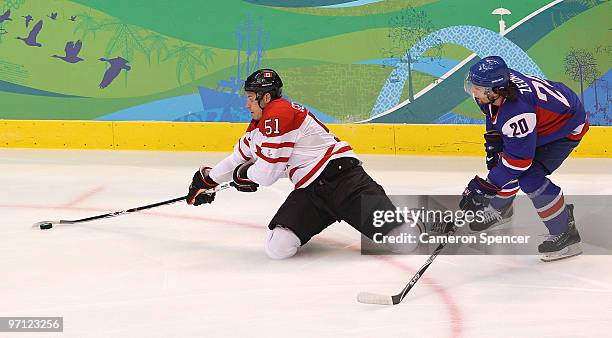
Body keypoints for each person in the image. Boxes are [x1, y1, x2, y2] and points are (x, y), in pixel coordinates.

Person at [185, 69, 425, 259]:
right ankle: (327, 216)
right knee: (278, 248)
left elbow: (267, 174)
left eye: (250, 98)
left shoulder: (280, 114)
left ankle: (427, 219)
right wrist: (207, 179)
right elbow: (237, 158)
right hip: (311, 193)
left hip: (345, 181)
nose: (246, 104)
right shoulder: (258, 128)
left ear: (265, 97)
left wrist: (245, 174)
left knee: (403, 241)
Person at [460, 56, 588, 261]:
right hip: (542, 119)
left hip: (565, 127)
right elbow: (493, 116)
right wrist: (494, 144)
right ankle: (501, 209)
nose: (473, 92)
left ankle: (566, 233)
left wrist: (486, 187)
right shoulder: (495, 91)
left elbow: (519, 161)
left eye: (478, 87)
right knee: (501, 163)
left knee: (529, 177)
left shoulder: (516, 111)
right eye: (472, 85)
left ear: (495, 90)